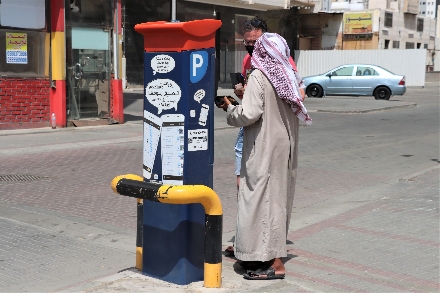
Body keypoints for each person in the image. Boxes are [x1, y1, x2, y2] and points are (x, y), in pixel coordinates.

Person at [222, 32, 312, 280]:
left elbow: (248, 114)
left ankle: (275, 263)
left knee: (258, 200)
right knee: (276, 202)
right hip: (285, 148)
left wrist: (230, 108)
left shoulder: (261, 76)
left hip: (264, 147)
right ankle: (259, 254)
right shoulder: (290, 75)